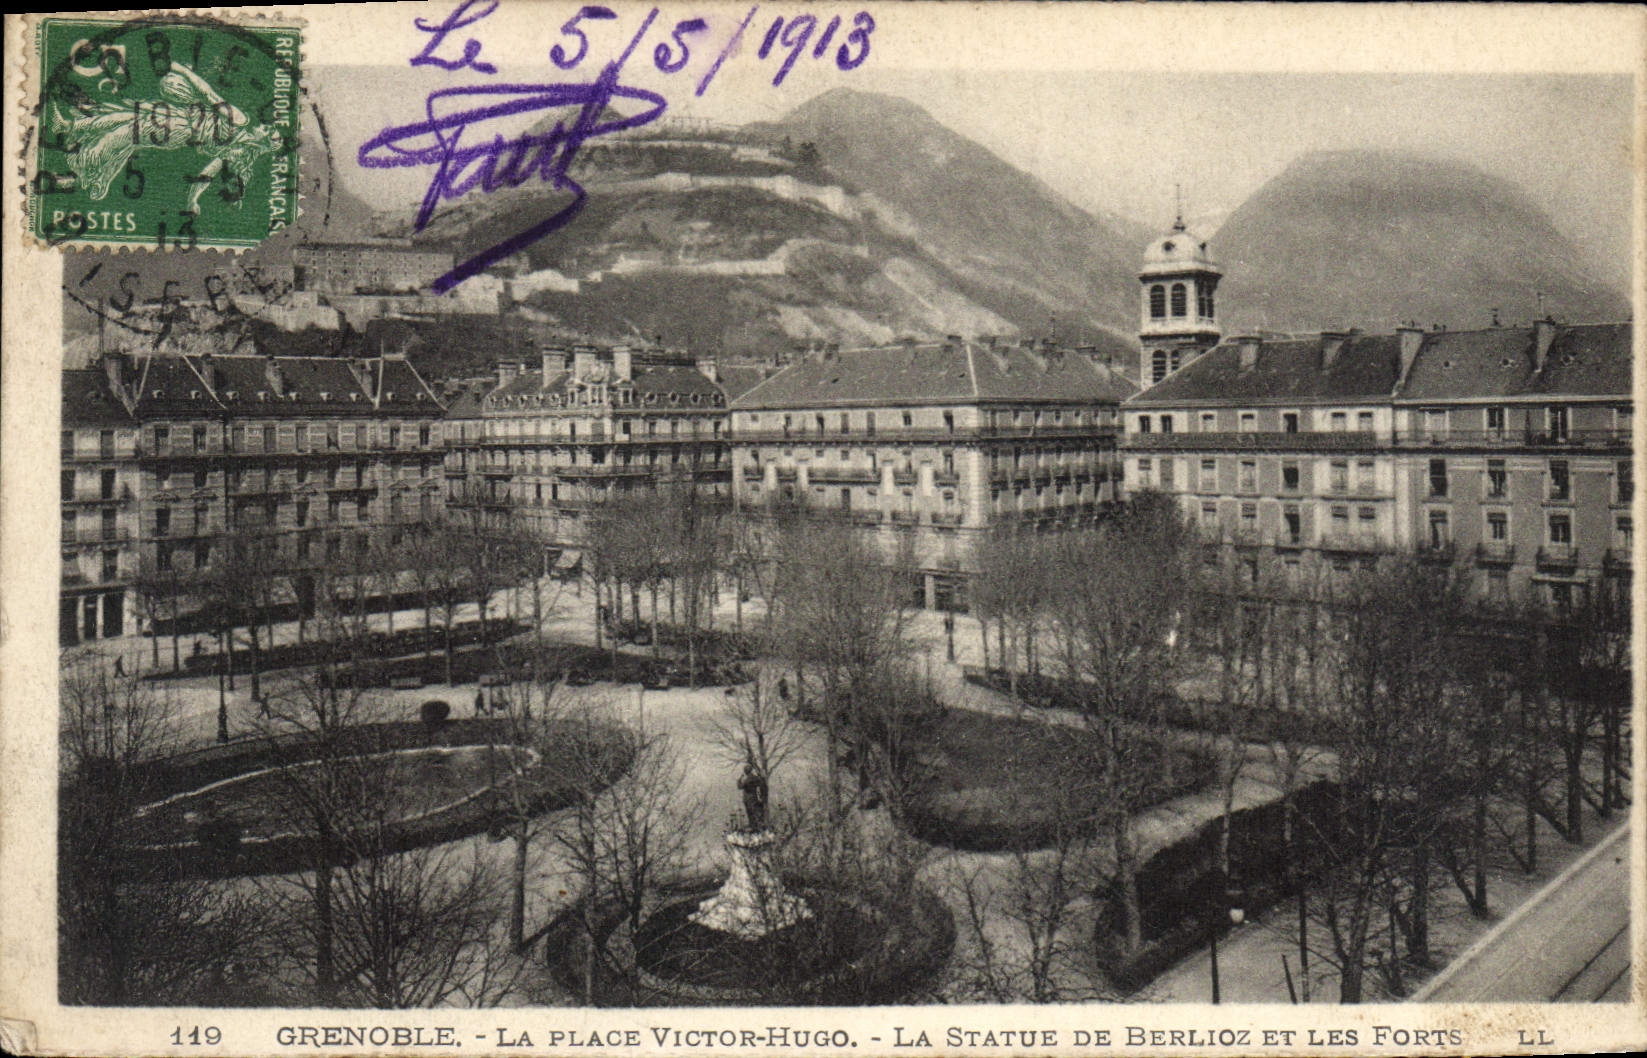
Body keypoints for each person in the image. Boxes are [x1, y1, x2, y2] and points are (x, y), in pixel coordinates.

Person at [737, 756, 769, 833]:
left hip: (748, 798)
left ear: (746, 771)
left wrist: (739, 779)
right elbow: (761, 782)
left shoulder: (748, 779)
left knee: (750, 813)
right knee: (754, 812)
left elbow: (740, 786)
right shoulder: (755, 778)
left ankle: (753, 826)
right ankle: (755, 826)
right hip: (754, 797)